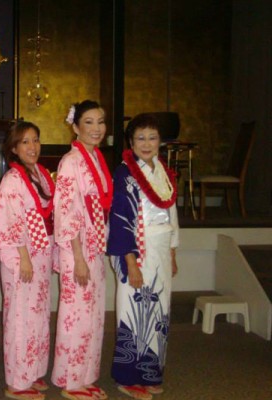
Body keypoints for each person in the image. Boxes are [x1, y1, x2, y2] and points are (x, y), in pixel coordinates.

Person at [107, 113, 179, 400]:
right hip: (137, 248)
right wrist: (130, 261)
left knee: (159, 310)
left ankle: (151, 372)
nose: (147, 144)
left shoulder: (163, 170)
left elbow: (172, 213)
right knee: (132, 310)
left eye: (152, 137)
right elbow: (121, 218)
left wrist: (172, 251)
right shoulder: (125, 173)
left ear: (160, 141)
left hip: (161, 248)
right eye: (140, 138)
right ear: (130, 142)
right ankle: (127, 377)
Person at [51, 100, 111, 400]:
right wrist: (77, 257)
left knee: (93, 312)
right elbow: (67, 210)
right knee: (76, 312)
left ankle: (85, 375)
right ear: (75, 126)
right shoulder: (71, 161)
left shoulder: (96, 158)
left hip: (95, 240)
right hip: (78, 244)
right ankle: (71, 380)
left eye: (101, 121)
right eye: (89, 122)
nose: (97, 128)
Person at [0, 121, 55, 400]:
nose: (33, 147)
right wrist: (23, 258)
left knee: (38, 315)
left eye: (36, 140)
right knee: (20, 316)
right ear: (14, 148)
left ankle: (33, 370)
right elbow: (9, 222)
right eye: (25, 142)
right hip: (23, 255)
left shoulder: (41, 174)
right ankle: (17, 382)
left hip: (41, 252)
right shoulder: (12, 180)